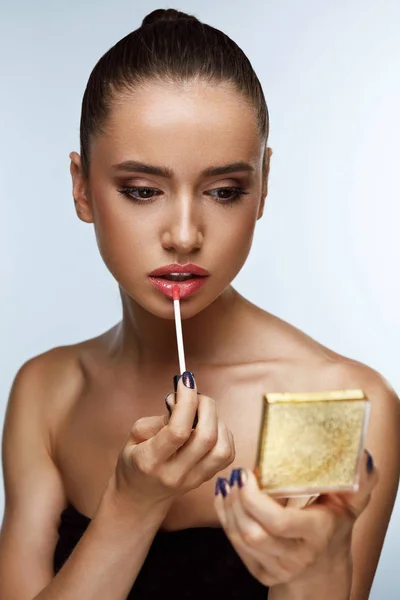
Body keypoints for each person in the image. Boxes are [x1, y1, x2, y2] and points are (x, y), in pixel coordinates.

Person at [0, 7, 399, 600]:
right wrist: (131, 508)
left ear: (262, 185)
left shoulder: (324, 401)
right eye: (142, 191)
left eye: (223, 191)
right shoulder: (51, 391)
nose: (184, 234)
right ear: (82, 187)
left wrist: (314, 572)